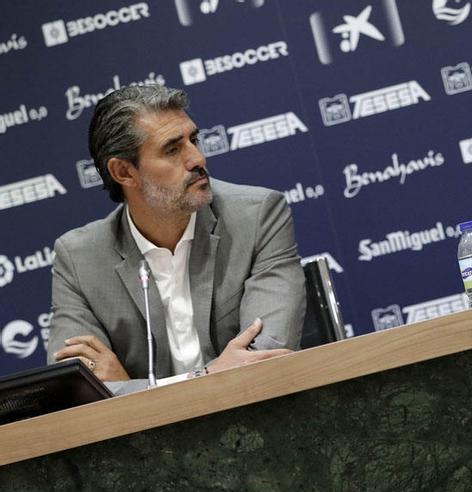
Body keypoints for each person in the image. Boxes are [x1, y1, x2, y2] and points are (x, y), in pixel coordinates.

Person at [47, 85, 306, 384]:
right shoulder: (79, 259)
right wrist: (207, 374)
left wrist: (135, 388)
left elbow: (264, 360)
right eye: (172, 149)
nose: (198, 159)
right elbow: (76, 386)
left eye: (193, 139)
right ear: (124, 172)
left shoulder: (258, 216)